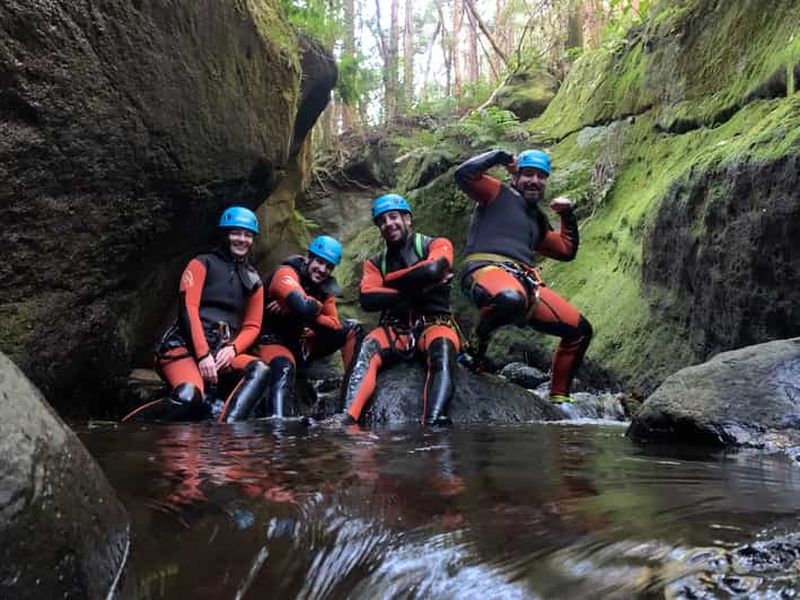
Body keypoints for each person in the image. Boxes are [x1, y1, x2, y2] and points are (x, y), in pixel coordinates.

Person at [455, 149, 592, 404]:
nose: (534, 181)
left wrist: (567, 214)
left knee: (580, 331)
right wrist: (499, 156)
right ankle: (474, 350)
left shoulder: (536, 218)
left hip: (524, 282)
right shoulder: (497, 192)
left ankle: (560, 399)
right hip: (484, 271)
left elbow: (565, 250)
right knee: (510, 298)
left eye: (541, 176)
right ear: (515, 176)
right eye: (528, 174)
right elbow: (463, 175)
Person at [122, 206, 268, 422]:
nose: (242, 239)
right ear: (225, 234)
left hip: (220, 351)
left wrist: (233, 348)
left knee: (261, 369)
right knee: (189, 398)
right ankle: (130, 426)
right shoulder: (201, 263)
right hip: (183, 348)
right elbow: (188, 308)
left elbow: (252, 326)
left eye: (248, 235)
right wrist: (202, 355)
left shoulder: (253, 280)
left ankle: (228, 429)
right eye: (236, 232)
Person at [340, 194, 460, 426]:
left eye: (393, 217)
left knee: (442, 349)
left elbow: (434, 268)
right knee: (367, 348)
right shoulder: (375, 263)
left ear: (408, 219)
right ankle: (347, 417)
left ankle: (435, 421)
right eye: (382, 221)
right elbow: (368, 298)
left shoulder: (435, 244)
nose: (388, 224)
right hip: (396, 329)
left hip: (434, 323)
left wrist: (391, 281)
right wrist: (419, 287)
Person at [257, 235, 363, 417]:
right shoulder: (287, 273)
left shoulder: (325, 289)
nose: (322, 270)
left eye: (328, 266)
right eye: (319, 262)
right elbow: (303, 306)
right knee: (284, 367)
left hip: (302, 343)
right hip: (272, 342)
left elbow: (333, 325)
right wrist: (307, 309)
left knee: (354, 329)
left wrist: (303, 308)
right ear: (309, 258)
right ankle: (277, 424)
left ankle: (352, 393)